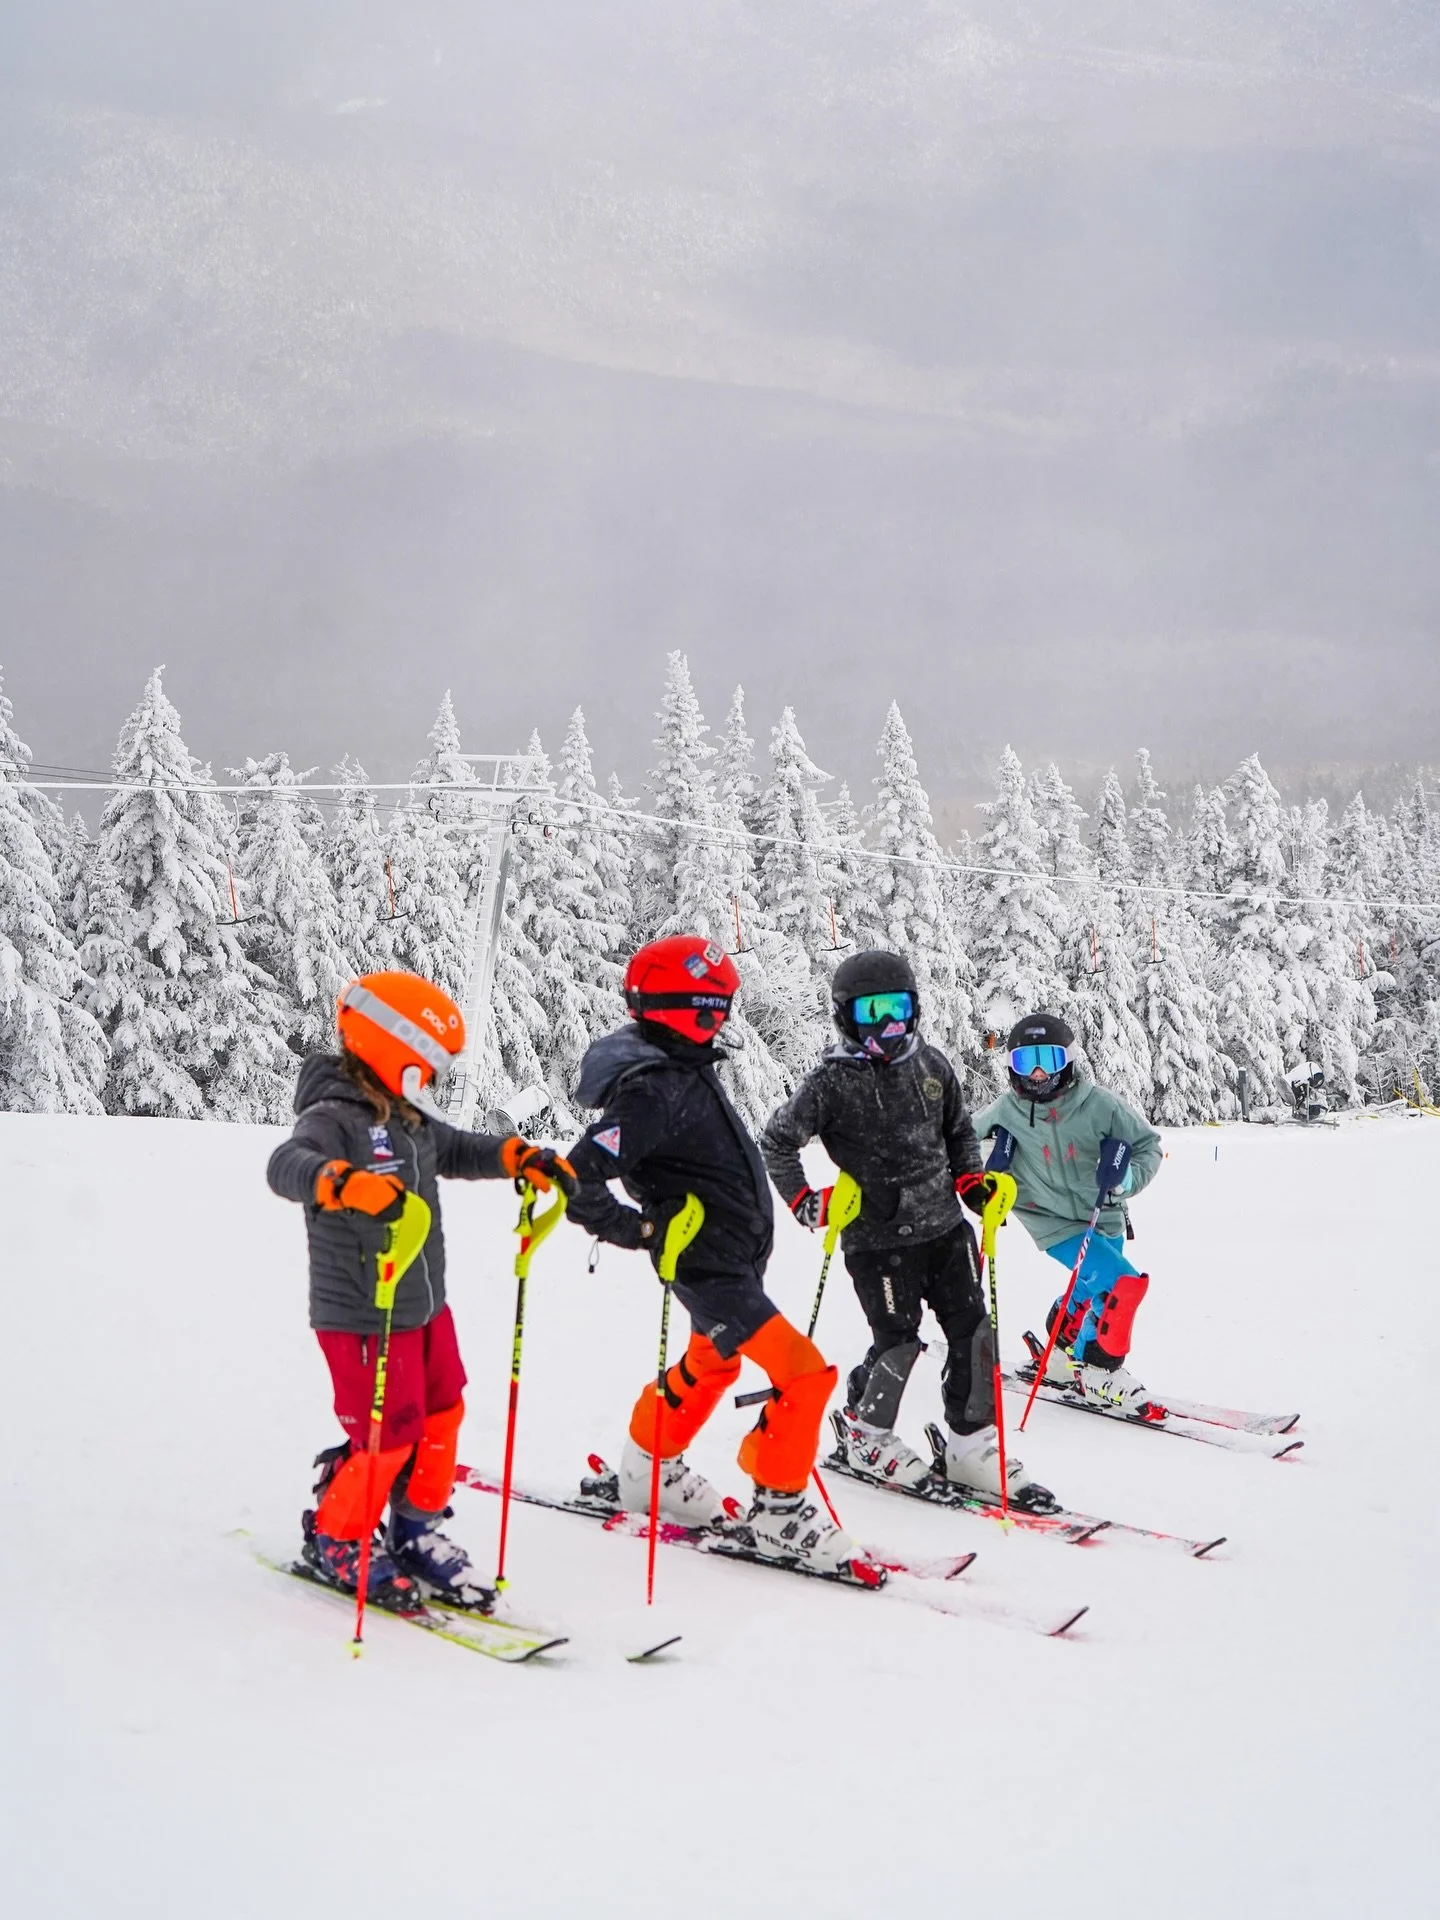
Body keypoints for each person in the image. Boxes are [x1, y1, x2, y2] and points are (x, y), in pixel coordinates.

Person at [565, 934, 870, 1576]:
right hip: (708, 1264)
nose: (720, 1023)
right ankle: (780, 1509)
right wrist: (638, 1231)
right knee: (805, 1374)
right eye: (711, 1011)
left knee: (712, 1366)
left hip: (730, 1257)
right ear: (681, 1011)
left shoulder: (682, 1071)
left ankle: (649, 1471)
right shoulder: (653, 1089)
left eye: (724, 1009)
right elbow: (580, 1175)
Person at [267, 971, 575, 1606]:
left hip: (424, 1306)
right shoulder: (333, 1117)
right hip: (362, 1311)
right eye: (429, 1061)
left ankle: (415, 1530)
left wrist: (517, 1156)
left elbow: (458, 1150)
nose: (433, 1075)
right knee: (389, 1435)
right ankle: (338, 1538)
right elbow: (284, 1165)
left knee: (443, 1415)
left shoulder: (409, 1119)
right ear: (392, 1047)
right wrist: (340, 1181)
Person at [760, 949, 1052, 1507]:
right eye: (873, 1012)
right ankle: (865, 1435)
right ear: (846, 1015)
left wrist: (972, 1181)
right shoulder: (829, 1083)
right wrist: (803, 1201)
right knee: (898, 1343)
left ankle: (972, 1445)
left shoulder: (933, 1066)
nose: (888, 1024)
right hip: (876, 1239)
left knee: (974, 1333)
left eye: (898, 1008)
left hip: (946, 1229)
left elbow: (961, 1132)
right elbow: (777, 1141)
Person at [973, 1012, 1162, 1412]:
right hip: (1049, 1219)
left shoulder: (1099, 1105)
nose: (1038, 1073)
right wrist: (986, 1163)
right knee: (1120, 1285)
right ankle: (1099, 1369)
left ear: (1069, 1060)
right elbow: (959, 1140)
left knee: (1093, 1286)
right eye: (1027, 1062)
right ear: (1012, 1068)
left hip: (1102, 1213)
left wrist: (1126, 1181)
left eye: (1049, 1059)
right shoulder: (1006, 1110)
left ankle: (1059, 1355)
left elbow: (1148, 1146)